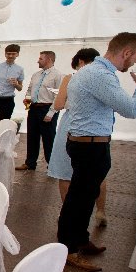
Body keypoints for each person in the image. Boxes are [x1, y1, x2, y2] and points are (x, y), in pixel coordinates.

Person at [57, 32, 136, 272]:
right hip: (90, 146)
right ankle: (68, 249)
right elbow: (131, 109)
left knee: (85, 196)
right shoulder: (100, 75)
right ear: (126, 52)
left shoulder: (90, 71)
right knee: (79, 199)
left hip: (86, 143)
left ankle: (79, 239)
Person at [47, 48, 108, 227]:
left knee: (64, 171)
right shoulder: (102, 79)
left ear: (80, 61)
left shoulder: (71, 78)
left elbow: (58, 104)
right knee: (97, 172)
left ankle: (68, 214)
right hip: (96, 127)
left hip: (72, 123)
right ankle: (100, 211)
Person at [17, 50, 64, 171]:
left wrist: (51, 113)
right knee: (32, 136)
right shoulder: (36, 75)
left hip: (47, 108)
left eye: (40, 59)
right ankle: (30, 163)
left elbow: (58, 96)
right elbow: (29, 90)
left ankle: (52, 166)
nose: (38, 61)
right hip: (33, 108)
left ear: (49, 60)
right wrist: (27, 100)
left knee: (49, 138)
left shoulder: (58, 75)